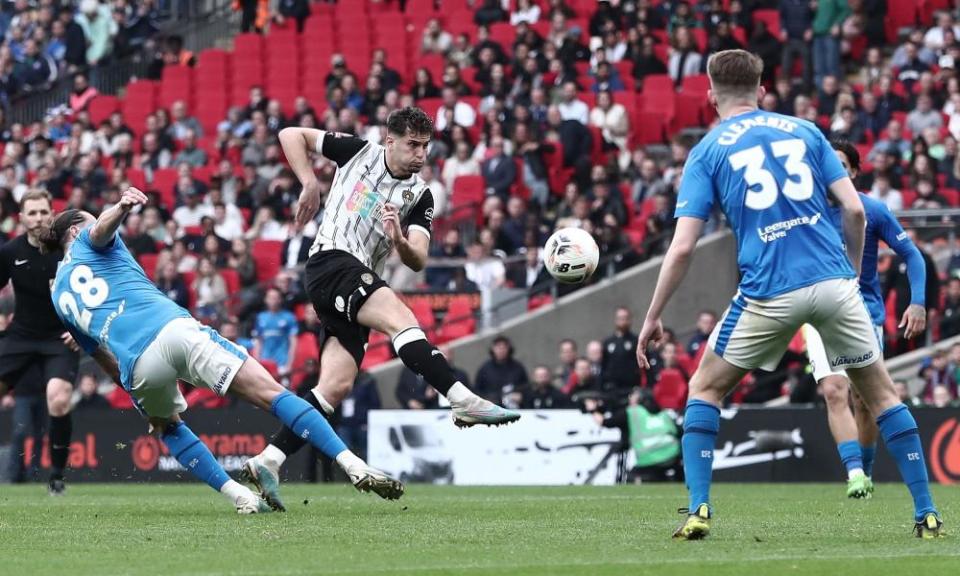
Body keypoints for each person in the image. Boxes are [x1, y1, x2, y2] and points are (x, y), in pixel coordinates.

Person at [636, 50, 942, 540]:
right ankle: (926, 513)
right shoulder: (805, 130)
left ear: (711, 97)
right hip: (834, 284)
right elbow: (855, 212)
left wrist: (652, 316)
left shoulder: (707, 150)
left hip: (768, 291)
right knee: (883, 396)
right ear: (762, 91)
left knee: (706, 388)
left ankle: (698, 510)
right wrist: (849, 273)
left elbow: (682, 247)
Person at [43, 189, 402, 514]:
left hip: (136, 366)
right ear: (75, 231)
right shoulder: (89, 241)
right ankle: (352, 463)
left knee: (168, 427)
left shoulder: (59, 296)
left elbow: (103, 356)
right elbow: (101, 229)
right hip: (172, 329)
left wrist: (136, 393)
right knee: (273, 394)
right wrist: (120, 207)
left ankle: (240, 496)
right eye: (86, 222)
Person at [244, 108, 520, 498]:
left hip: (354, 279)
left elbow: (419, 259)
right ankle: (461, 398)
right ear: (389, 141)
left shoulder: (420, 195)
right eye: (412, 145)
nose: (421, 154)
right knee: (400, 317)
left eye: (426, 146)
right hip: (331, 261)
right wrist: (309, 182)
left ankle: (268, 460)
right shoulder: (358, 152)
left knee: (333, 388)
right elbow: (291, 133)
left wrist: (400, 241)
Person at [801, 139, 928, 500]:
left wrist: (917, 302)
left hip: (863, 313)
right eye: (830, 163)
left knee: (864, 399)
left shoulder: (871, 210)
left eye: (843, 164)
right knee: (833, 390)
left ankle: (867, 469)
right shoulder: (804, 211)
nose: (835, 170)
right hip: (818, 313)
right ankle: (855, 473)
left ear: (854, 172)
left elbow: (912, 255)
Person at [0, 190, 80, 495]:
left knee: (58, 398)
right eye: (31, 213)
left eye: (43, 212)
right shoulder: (9, 252)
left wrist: (80, 330)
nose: (37, 218)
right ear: (21, 217)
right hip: (20, 335)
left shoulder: (68, 251)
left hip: (59, 338)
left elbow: (94, 293)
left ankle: (56, 477)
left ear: (52, 214)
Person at [253, 287, 299, 378]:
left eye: (275, 297)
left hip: (282, 362)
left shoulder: (289, 317)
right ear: (265, 300)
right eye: (270, 297)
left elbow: (293, 342)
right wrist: (256, 363)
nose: (273, 300)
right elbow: (258, 342)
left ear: (280, 300)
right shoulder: (260, 317)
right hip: (264, 362)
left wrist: (289, 364)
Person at [602, 307, 641, 390]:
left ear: (630, 320)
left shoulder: (636, 340)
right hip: (611, 387)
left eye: (626, 318)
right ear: (615, 320)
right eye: (620, 318)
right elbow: (603, 364)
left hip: (632, 386)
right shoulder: (608, 342)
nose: (623, 321)